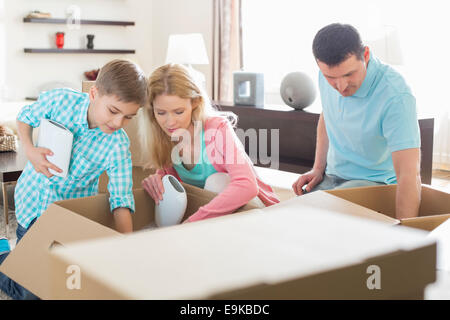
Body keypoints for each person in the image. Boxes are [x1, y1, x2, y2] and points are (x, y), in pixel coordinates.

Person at [0, 59, 148, 299]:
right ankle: (4, 256)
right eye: (113, 111)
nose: (118, 123)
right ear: (94, 93)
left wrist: (125, 249)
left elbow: (121, 198)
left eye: (129, 117)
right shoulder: (60, 100)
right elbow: (25, 117)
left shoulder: (118, 144)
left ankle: (15, 260)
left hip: (70, 219)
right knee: (32, 292)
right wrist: (29, 149)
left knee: (70, 286)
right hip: (32, 205)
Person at [292, 23, 421, 219]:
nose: (341, 86)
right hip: (333, 178)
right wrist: (318, 169)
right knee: (291, 216)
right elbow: (328, 116)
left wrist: (406, 236)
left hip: (376, 184)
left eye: (349, 74)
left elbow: (409, 176)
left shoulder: (396, 95)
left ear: (366, 55)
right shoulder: (324, 76)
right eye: (331, 77)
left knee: (320, 221)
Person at [140, 63, 280, 222]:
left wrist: (193, 222)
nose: (170, 122)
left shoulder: (217, 129)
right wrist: (156, 181)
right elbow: (175, 192)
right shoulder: (165, 137)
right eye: (161, 113)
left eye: (178, 112)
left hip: (257, 210)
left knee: (217, 181)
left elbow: (247, 185)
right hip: (212, 218)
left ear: (194, 103)